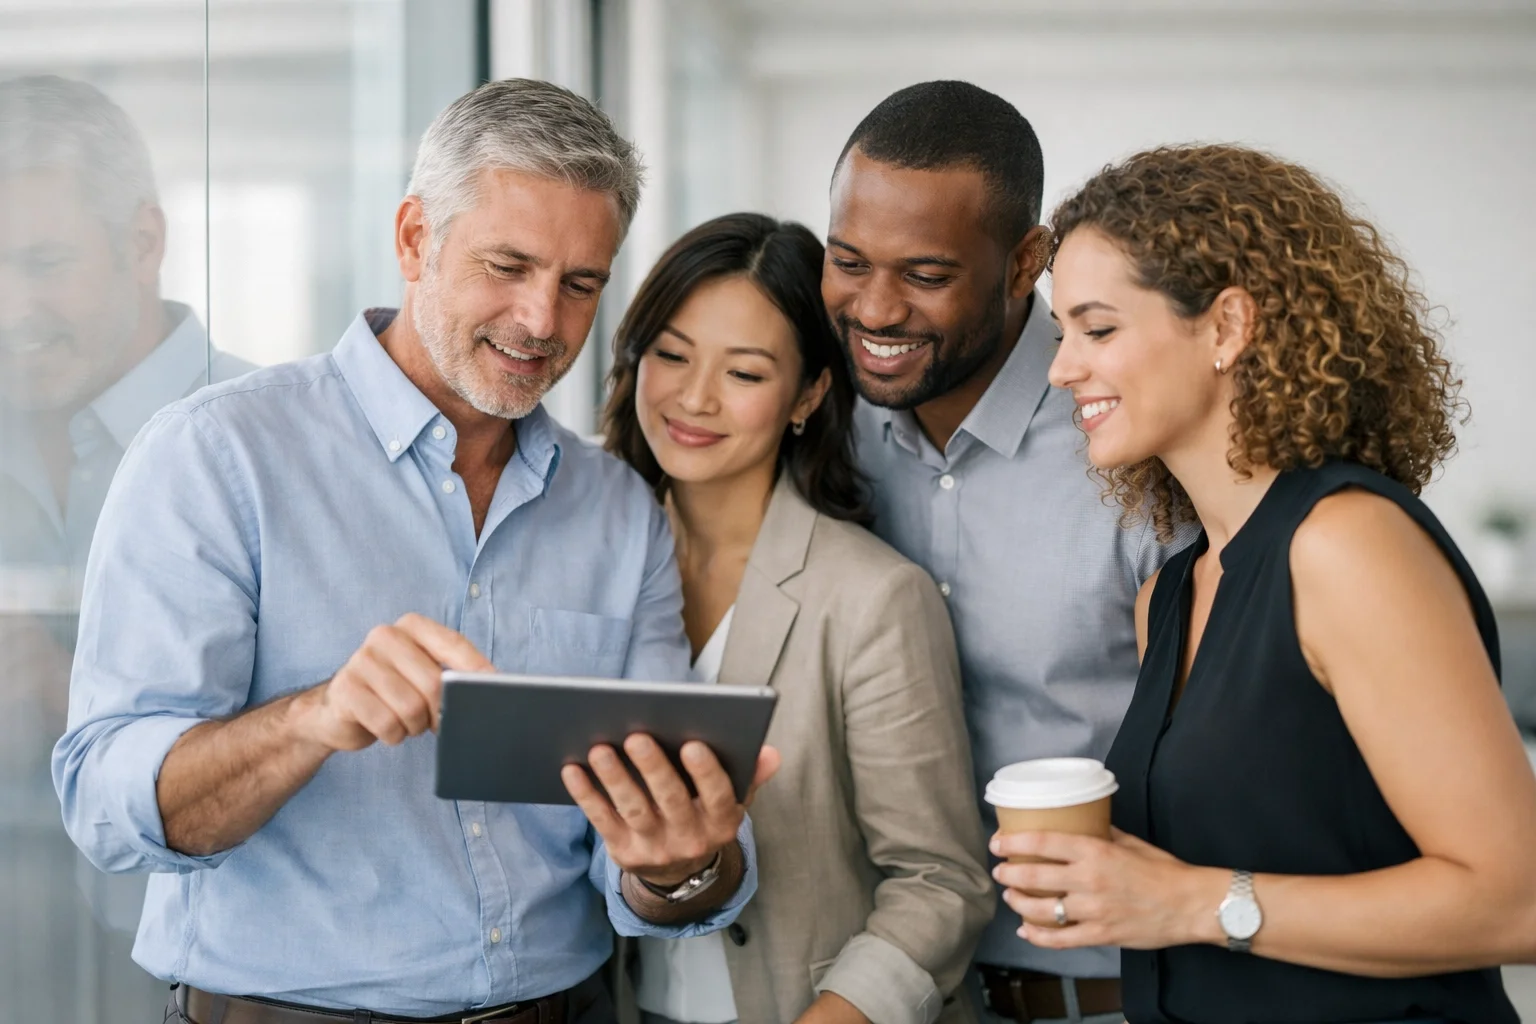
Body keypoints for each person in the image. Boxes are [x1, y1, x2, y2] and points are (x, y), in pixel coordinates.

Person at [52, 78, 773, 1024]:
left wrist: (681, 866)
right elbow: (106, 801)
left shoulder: (618, 509)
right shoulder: (217, 456)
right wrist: (311, 720)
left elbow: (641, 872)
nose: (543, 322)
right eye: (507, 266)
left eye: (581, 283)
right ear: (413, 239)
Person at [993, 143, 1536, 1023]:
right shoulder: (1167, 596)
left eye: (1097, 330)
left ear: (1226, 327)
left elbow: (1518, 900)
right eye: (1063, 337)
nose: (1061, 370)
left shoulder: (1346, 545)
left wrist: (1185, 902)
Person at [822, 81, 1189, 1024]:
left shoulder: (1131, 443)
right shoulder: (827, 431)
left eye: (926, 275)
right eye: (849, 260)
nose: (875, 307)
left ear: (1026, 262)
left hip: (1119, 996)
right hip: (906, 986)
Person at [604, 213, 994, 1024]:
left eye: (744, 374)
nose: (693, 398)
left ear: (809, 394)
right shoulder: (588, 556)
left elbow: (940, 879)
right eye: (671, 355)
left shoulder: (873, 597)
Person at [0, 74, 252, 1022]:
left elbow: (343, 746)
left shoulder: (283, 444)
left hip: (211, 986)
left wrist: (58, 686)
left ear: (143, 242)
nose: (6, 306)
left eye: (42, 261)